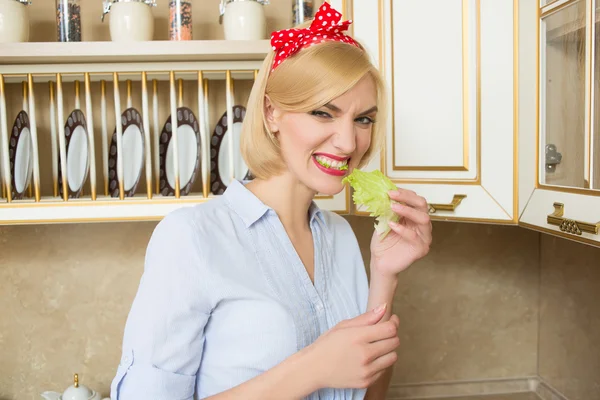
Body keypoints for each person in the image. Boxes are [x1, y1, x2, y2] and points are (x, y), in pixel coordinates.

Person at [110, 3, 432, 399]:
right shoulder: (191, 238)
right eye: (323, 113)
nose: (349, 142)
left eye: (363, 119)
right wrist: (311, 369)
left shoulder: (343, 237)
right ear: (272, 112)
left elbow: (367, 394)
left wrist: (385, 275)